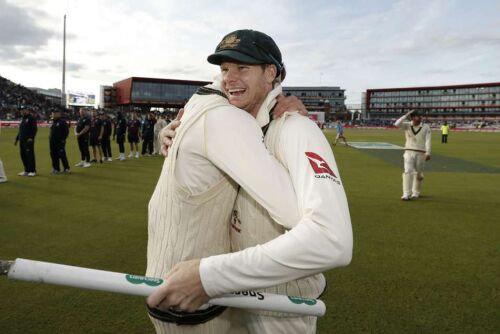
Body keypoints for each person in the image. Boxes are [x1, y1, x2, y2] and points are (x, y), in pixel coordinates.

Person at [148, 29, 352, 334]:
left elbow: (331, 240)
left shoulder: (296, 130)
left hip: (282, 310)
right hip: (232, 302)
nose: (230, 78)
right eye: (225, 69)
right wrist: (175, 133)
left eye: (242, 68)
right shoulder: (235, 125)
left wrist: (209, 276)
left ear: (271, 73)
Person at [394, 110, 431, 200]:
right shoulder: (407, 125)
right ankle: (406, 193)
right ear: (412, 117)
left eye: (420, 116)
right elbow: (396, 124)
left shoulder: (426, 127)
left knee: (418, 174)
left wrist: (428, 152)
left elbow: (428, 140)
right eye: (417, 116)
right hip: (408, 151)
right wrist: (405, 115)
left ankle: (416, 192)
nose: (420, 118)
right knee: (407, 172)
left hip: (421, 152)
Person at [14, 107, 37, 176]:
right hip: (22, 140)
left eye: (24, 110)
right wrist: (17, 139)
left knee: (29, 155)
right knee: (23, 155)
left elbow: (34, 129)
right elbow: (20, 131)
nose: (23, 112)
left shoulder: (31, 118)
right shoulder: (23, 119)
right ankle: (26, 170)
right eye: (21, 111)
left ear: (27, 111)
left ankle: (32, 171)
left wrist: (31, 137)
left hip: (28, 140)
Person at [49, 109, 70, 174]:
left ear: (58, 114)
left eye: (55, 113)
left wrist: (63, 139)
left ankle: (66, 168)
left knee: (62, 155)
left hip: (60, 142)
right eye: (53, 113)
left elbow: (66, 132)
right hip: (52, 142)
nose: (53, 114)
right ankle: (56, 168)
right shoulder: (53, 122)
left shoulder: (62, 122)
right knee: (53, 155)